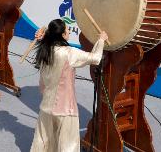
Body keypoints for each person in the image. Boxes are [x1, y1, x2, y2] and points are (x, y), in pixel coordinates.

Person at [30, 19, 108, 152]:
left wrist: (41, 37)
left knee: (44, 140)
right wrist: (101, 40)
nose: (68, 31)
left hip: (46, 106)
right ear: (62, 35)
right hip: (65, 108)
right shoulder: (69, 52)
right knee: (68, 145)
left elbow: (42, 84)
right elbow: (95, 58)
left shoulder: (44, 50)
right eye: (66, 29)